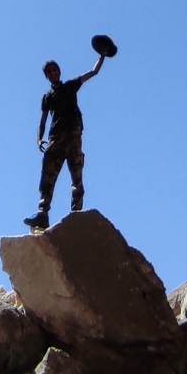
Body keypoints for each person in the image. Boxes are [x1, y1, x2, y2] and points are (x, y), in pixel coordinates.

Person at [24, 35, 116, 230]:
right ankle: (42, 213)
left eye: (54, 70)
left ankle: (76, 214)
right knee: (48, 174)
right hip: (56, 137)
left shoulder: (70, 85)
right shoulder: (47, 97)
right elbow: (43, 119)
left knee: (76, 176)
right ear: (47, 76)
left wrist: (102, 55)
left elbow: (93, 72)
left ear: (59, 71)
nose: (52, 73)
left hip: (73, 135)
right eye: (49, 72)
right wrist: (39, 138)